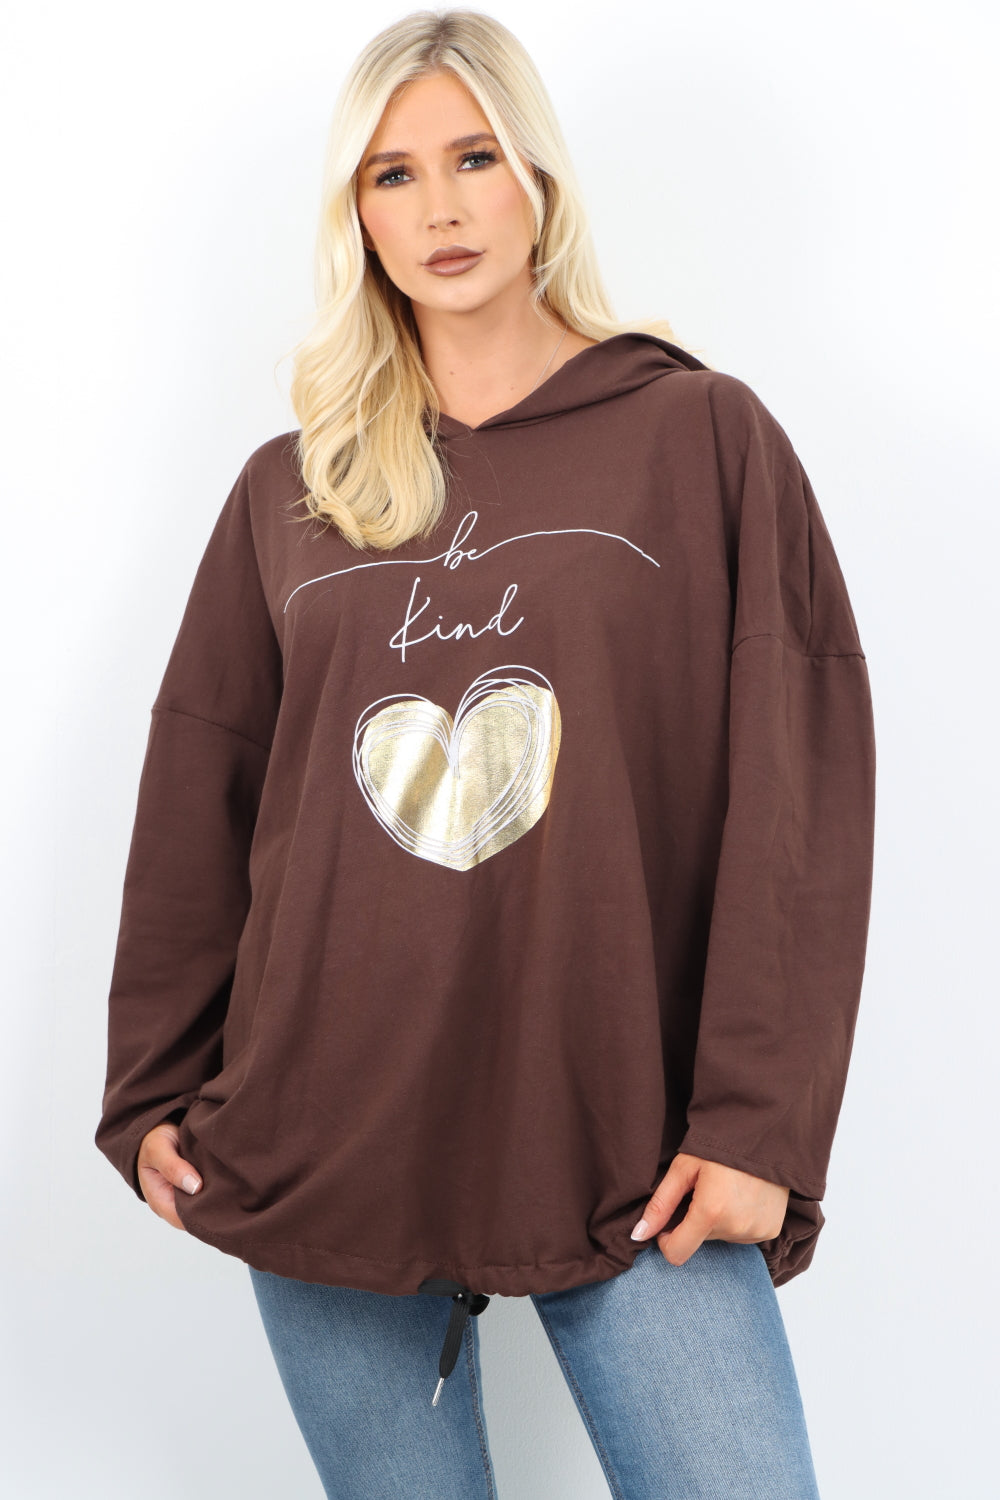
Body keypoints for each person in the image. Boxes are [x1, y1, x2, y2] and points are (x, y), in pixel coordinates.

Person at [95, 9, 876, 1498]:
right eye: (392, 175)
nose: (441, 208)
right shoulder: (292, 489)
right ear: (358, 217)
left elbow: (801, 786)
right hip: (325, 1125)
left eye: (474, 158)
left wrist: (759, 1121)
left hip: (631, 1127)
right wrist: (150, 1093)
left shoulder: (701, 437)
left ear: (540, 178)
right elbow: (202, 786)